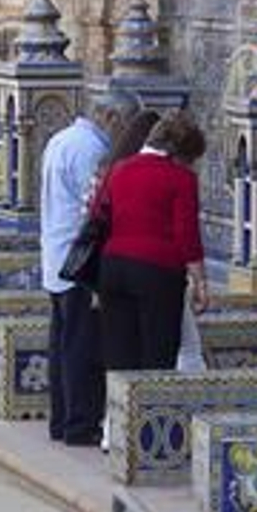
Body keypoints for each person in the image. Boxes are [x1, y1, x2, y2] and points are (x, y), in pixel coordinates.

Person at [38, 90, 138, 447]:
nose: (125, 136)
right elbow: (95, 210)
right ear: (111, 118)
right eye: (125, 126)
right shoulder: (91, 150)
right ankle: (79, 424)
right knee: (82, 346)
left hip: (57, 257)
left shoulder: (62, 139)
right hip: (79, 263)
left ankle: (62, 420)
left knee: (64, 343)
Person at [94, 111, 210, 373]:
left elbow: (98, 217)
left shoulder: (118, 170)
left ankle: (120, 412)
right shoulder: (181, 179)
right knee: (157, 357)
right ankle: (153, 413)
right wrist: (200, 284)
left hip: (112, 269)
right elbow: (187, 236)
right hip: (157, 272)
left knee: (120, 357)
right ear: (181, 154)